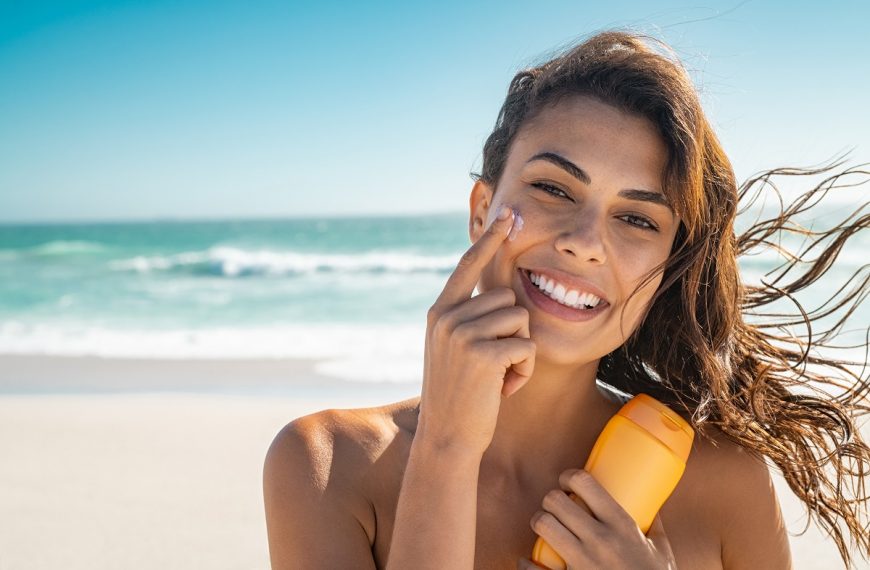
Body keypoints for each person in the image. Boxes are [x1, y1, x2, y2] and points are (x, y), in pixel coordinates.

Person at [263, 29, 870, 569]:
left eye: (637, 219)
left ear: (666, 265)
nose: (585, 245)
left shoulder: (725, 483)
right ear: (482, 211)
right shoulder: (327, 466)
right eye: (553, 188)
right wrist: (444, 451)